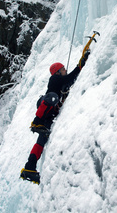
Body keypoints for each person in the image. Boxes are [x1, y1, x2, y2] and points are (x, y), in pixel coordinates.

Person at [20, 50, 90, 184]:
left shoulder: (60, 83)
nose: (65, 70)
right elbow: (71, 77)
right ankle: (36, 122)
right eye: (63, 69)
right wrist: (82, 62)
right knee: (53, 97)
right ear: (57, 72)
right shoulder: (55, 79)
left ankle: (29, 168)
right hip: (45, 105)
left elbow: (69, 81)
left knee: (40, 142)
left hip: (48, 115)